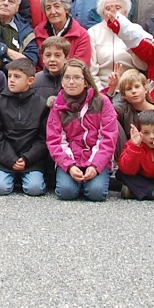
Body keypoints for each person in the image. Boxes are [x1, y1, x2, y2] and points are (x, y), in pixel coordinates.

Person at [47, 60, 119, 202]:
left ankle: (93, 180)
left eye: (77, 78)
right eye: (67, 78)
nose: (71, 82)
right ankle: (76, 181)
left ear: (86, 82)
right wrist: (70, 166)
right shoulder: (57, 106)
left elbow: (108, 138)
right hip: (71, 159)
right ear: (62, 82)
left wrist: (95, 165)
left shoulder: (102, 102)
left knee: (96, 193)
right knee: (66, 192)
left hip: (96, 158)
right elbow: (55, 141)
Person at [0, 58, 51, 197]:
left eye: (17, 76)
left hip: (31, 161)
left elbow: (43, 138)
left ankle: (24, 179)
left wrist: (27, 158)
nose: (11, 80)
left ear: (31, 81)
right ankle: (10, 178)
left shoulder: (41, 104)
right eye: (9, 76)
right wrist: (11, 159)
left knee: (35, 189)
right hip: (4, 160)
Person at [33, 0, 92, 66]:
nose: (53, 12)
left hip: (70, 77)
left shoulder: (81, 35)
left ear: (66, 9)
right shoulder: (38, 33)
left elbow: (80, 67)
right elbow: (36, 65)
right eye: (48, 8)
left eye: (57, 6)